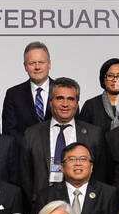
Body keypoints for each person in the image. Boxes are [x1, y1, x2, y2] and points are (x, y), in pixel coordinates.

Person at [20, 78, 105, 206]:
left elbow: (100, 173)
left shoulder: (94, 134)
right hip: (42, 204)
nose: (65, 104)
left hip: (81, 203)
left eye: (71, 99)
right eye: (60, 98)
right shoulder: (32, 133)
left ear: (77, 103)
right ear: (50, 102)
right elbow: (25, 174)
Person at [31, 142, 119, 214]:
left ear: (91, 167)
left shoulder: (108, 194)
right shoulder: (46, 196)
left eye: (83, 159)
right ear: (62, 167)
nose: (78, 164)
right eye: (72, 159)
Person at [1, 41, 54, 137]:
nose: (37, 67)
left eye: (41, 62)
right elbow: (9, 131)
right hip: (23, 150)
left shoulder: (63, 91)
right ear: (25, 66)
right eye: (32, 63)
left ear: (49, 64)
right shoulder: (13, 94)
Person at [78, 57, 119, 129]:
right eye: (110, 76)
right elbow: (81, 134)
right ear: (103, 79)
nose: (115, 79)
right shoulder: (91, 105)